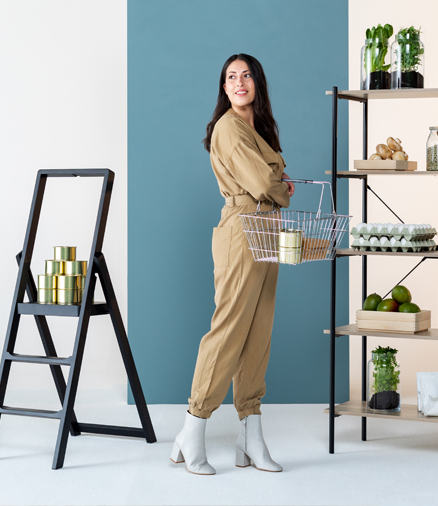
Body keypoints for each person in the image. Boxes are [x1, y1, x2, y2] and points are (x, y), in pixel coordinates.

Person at [170, 54, 294, 475]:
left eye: (246, 76)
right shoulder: (227, 127)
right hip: (242, 229)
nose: (239, 82)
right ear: (223, 88)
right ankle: (193, 427)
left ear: (257, 83)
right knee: (227, 332)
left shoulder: (256, 128)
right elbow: (263, 183)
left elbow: (271, 183)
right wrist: (281, 187)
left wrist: (277, 187)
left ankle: (250, 439)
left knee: (257, 335)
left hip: (267, 229)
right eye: (230, 77)